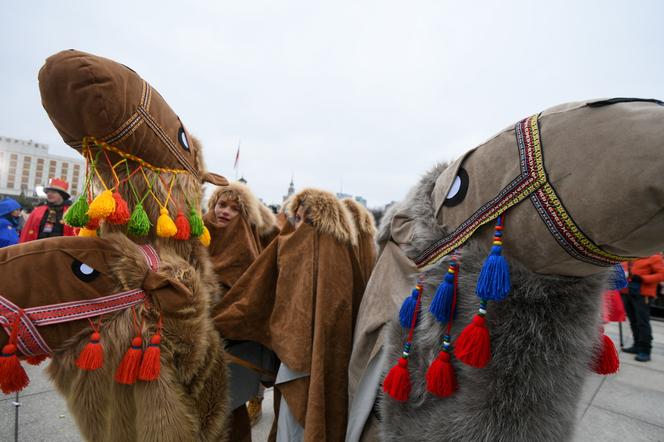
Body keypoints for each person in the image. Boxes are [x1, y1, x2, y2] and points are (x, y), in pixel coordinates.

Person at [214, 188, 366, 441]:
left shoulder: (321, 248)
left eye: (303, 217)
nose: (297, 223)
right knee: (295, 420)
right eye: (296, 217)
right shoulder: (316, 246)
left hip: (301, 358)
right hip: (297, 356)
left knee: (297, 423)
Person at [204, 181, 279, 441]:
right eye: (221, 205)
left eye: (234, 209)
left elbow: (249, 297)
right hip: (196, 340)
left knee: (228, 409)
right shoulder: (197, 234)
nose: (225, 211)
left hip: (233, 344)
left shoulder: (246, 250)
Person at [621, 255, 664, 362]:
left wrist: (642, 278)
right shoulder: (629, 254)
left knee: (642, 322)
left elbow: (662, 275)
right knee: (633, 321)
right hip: (627, 292)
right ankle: (637, 345)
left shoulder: (654, 257)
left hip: (643, 294)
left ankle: (645, 350)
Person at [19, 177, 75, 242]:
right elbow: (26, 233)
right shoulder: (37, 211)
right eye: (48, 192)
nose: (49, 194)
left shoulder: (70, 213)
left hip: (60, 250)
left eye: (53, 192)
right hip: (38, 249)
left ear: (62, 195)